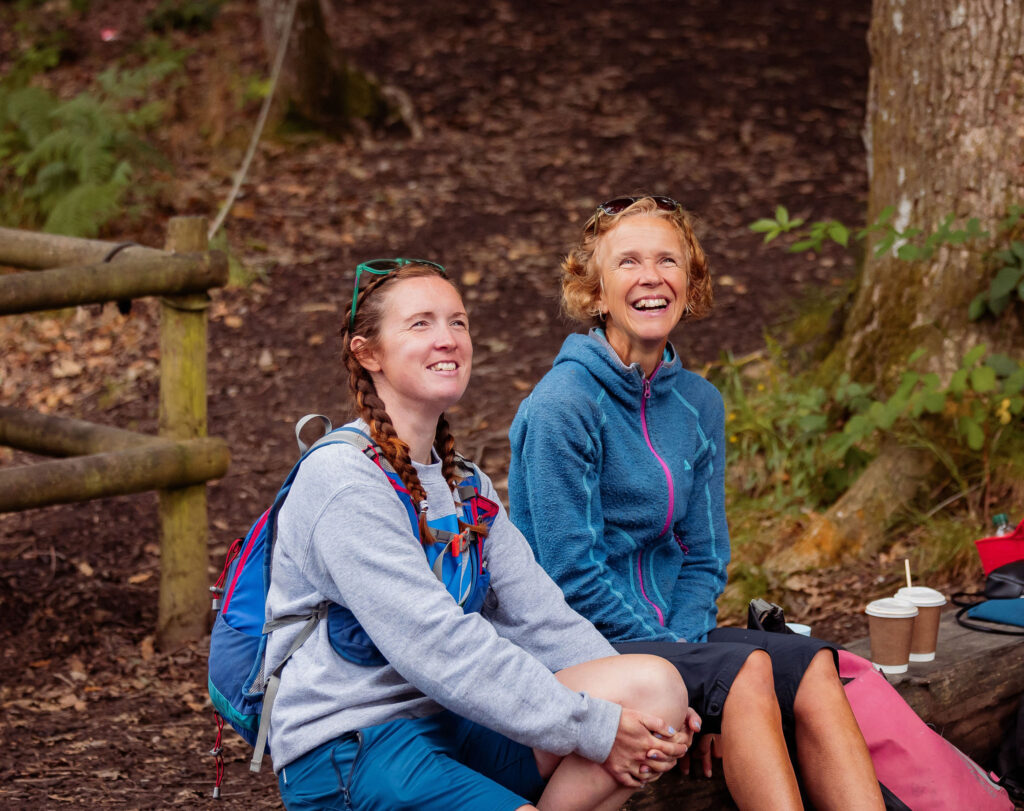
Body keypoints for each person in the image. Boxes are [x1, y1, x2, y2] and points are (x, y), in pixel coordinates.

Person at [263, 258, 695, 811]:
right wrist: (596, 725)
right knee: (613, 731)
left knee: (653, 691)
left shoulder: (463, 483)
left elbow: (543, 619)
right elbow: (439, 649)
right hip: (354, 744)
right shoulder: (343, 483)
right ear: (367, 352)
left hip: (453, 719)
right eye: (420, 324)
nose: (447, 339)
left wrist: (641, 721)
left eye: (458, 322)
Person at [508, 197, 885, 810]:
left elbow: (703, 554)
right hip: (583, 648)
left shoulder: (699, 403)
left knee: (814, 663)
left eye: (668, 260)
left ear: (691, 282)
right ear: (596, 292)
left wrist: (690, 656)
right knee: (747, 672)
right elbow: (568, 576)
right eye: (627, 262)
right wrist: (693, 673)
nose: (651, 276)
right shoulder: (562, 406)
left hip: (670, 637)